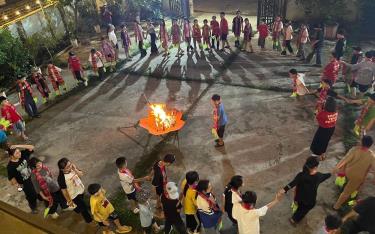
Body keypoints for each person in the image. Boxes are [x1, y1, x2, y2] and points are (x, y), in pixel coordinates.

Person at [280, 156, 331, 225]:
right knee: (303, 211)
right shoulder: (318, 176)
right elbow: (327, 175)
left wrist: (284, 190)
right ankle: (293, 220)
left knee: (300, 207)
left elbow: (292, 184)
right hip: (309, 201)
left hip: (299, 197)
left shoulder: (301, 175)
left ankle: (296, 212)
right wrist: (332, 172)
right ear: (315, 167)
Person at [332, 135, 375, 210]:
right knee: (346, 193)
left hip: (348, 171)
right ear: (371, 145)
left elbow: (345, 160)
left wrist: (336, 168)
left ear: (361, 142)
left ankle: (341, 182)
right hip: (358, 177)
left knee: (344, 169)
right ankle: (336, 206)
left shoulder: (354, 150)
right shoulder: (372, 156)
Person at [57, 158, 92, 223]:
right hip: (74, 195)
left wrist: (75, 169)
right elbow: (64, 191)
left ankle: (79, 209)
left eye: (70, 164)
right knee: (83, 208)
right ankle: (89, 220)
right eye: (68, 167)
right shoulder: (61, 178)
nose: (70, 167)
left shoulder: (73, 169)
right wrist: (69, 200)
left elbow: (81, 174)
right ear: (62, 169)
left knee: (81, 205)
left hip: (80, 191)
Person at [7, 145, 38, 213]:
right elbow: (12, 178)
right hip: (25, 183)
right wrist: (18, 187)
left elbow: (32, 147)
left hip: (32, 176)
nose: (19, 153)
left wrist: (17, 145)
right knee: (31, 195)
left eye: (19, 151)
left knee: (38, 190)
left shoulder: (23, 155)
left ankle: (39, 198)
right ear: (11, 156)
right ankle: (33, 207)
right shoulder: (10, 167)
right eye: (17, 153)